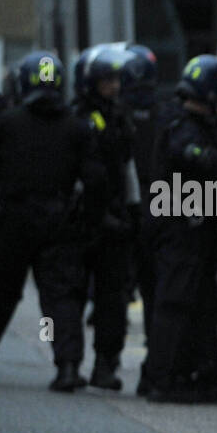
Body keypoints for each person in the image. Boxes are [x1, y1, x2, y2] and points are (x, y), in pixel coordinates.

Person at [147, 55, 217, 403]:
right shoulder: (180, 125)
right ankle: (162, 379)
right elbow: (201, 161)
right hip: (180, 230)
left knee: (204, 306)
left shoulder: (209, 126)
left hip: (203, 231)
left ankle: (209, 375)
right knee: (175, 304)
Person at [0, 51, 105, 390]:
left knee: (1, 291)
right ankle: (68, 366)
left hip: (12, 221)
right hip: (59, 222)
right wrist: (91, 220)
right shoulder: (76, 126)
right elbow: (96, 179)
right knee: (61, 298)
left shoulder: (7, 123)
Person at [74, 45, 138, 391]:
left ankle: (105, 364)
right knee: (70, 296)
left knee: (113, 299)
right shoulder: (78, 118)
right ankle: (68, 363)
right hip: (83, 220)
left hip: (113, 220)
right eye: (106, 80)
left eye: (116, 79)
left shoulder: (119, 116)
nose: (114, 86)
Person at [118, 44, 164, 396]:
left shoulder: (115, 115)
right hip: (159, 211)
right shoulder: (166, 114)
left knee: (115, 291)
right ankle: (154, 366)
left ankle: (106, 364)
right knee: (154, 293)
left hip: (121, 215)